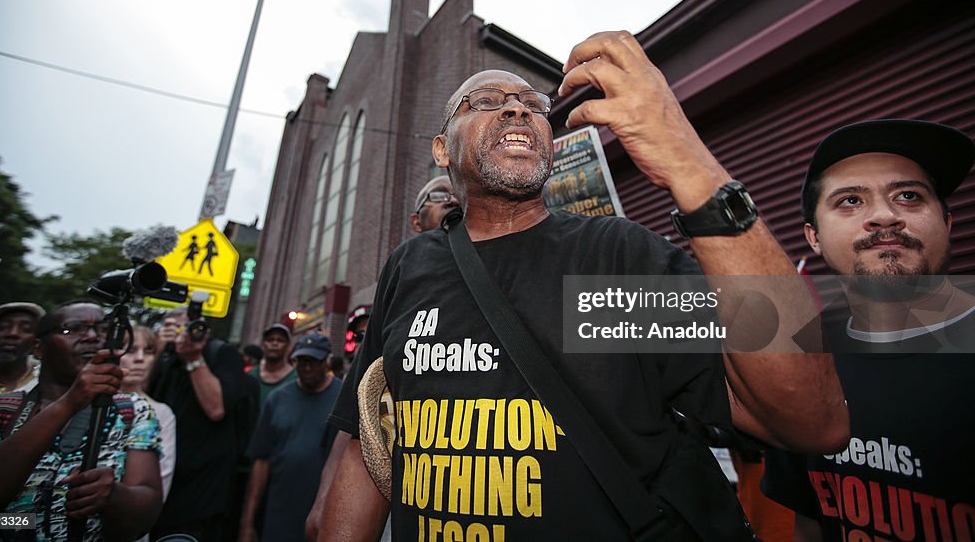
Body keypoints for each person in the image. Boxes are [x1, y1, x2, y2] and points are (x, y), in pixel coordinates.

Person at [320, 31, 849, 540]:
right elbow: (368, 443)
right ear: (441, 149)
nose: (517, 108)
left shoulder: (611, 259)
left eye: (532, 102)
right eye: (485, 100)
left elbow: (811, 418)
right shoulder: (411, 266)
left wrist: (690, 165)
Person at [762, 119, 975, 541]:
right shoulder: (800, 361)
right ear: (814, 237)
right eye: (850, 201)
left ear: (947, 222)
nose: (884, 216)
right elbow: (809, 518)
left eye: (909, 196)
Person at [305, 177, 459, 541]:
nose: (451, 198)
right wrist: (325, 500)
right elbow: (360, 411)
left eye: (456, 193)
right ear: (415, 221)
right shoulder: (402, 275)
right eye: (438, 196)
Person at [0, 301, 162, 540]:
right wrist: (23, 522)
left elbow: (145, 518)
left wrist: (113, 495)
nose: (92, 337)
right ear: (39, 349)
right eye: (72, 328)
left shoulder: (133, 412)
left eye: (102, 329)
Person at [147, 304, 249, 541]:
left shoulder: (220, 354)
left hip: (201, 492)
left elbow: (216, 409)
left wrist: (194, 359)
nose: (185, 332)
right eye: (176, 326)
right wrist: (159, 350)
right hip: (160, 484)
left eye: (190, 325)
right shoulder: (165, 358)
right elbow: (142, 397)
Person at [239, 334, 341, 542]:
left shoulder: (342, 398)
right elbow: (261, 461)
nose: (307, 368)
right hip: (280, 511)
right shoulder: (278, 399)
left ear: (326, 362)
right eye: (302, 361)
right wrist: (247, 522)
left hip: (325, 512)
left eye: (314, 361)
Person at [119, 325, 176, 507]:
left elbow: (159, 485)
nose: (140, 359)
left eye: (149, 351)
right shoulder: (84, 403)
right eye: (130, 350)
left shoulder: (161, 413)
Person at [247, 323, 297, 407]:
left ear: (288, 346)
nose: (274, 343)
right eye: (270, 340)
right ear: (263, 344)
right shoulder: (251, 375)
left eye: (280, 340)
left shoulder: (295, 379)